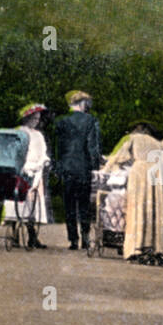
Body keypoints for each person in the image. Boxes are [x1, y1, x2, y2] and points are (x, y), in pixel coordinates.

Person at [104, 121, 163, 265]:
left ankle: (139, 247)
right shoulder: (158, 143)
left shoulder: (134, 139)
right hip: (162, 173)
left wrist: (106, 168)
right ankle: (158, 248)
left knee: (139, 210)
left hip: (142, 173)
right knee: (158, 211)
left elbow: (118, 157)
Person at [54, 90, 103, 250]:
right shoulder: (90, 121)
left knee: (69, 204)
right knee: (84, 204)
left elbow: (58, 147)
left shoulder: (61, 121)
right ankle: (85, 237)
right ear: (82, 103)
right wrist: (95, 166)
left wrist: (58, 167)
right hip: (83, 167)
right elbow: (92, 147)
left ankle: (73, 239)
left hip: (66, 166)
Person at [6, 102, 51, 249]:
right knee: (16, 201)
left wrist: (43, 162)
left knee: (33, 202)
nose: (36, 121)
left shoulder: (38, 135)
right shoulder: (18, 132)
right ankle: (14, 235)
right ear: (27, 119)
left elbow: (43, 152)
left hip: (35, 169)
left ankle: (32, 235)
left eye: (38, 119)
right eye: (34, 118)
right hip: (20, 168)